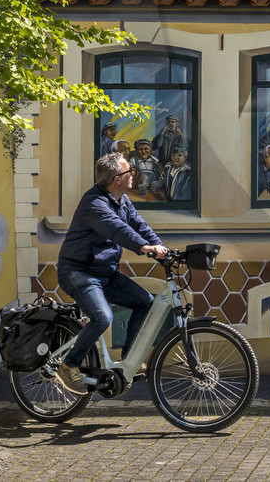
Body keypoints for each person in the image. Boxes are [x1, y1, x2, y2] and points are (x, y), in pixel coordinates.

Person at [55, 152, 169, 393]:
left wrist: (164, 253)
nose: (134, 175)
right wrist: (143, 247)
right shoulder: (94, 203)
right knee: (103, 317)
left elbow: (140, 226)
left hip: (105, 273)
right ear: (118, 178)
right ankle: (68, 365)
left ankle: (130, 361)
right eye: (130, 172)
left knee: (145, 302)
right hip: (78, 273)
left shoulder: (123, 201)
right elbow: (116, 229)